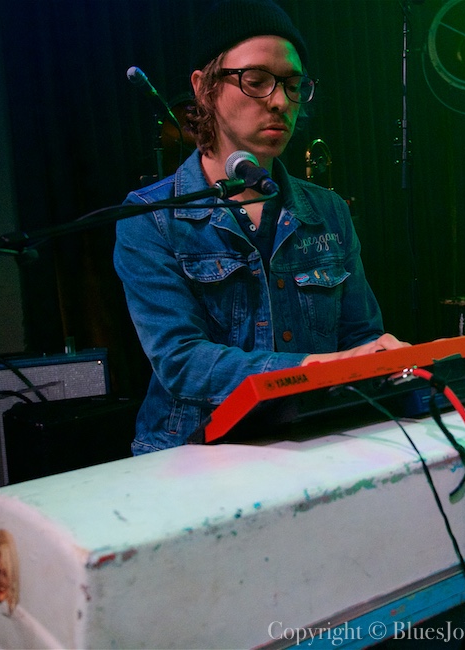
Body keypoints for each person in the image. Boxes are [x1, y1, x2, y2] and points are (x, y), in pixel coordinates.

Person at [114, 0, 406, 454]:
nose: (279, 101)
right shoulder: (150, 218)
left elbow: (359, 337)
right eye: (256, 81)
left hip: (314, 440)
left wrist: (386, 359)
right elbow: (181, 361)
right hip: (192, 453)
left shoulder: (327, 212)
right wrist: (314, 366)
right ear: (204, 87)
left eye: (293, 85)